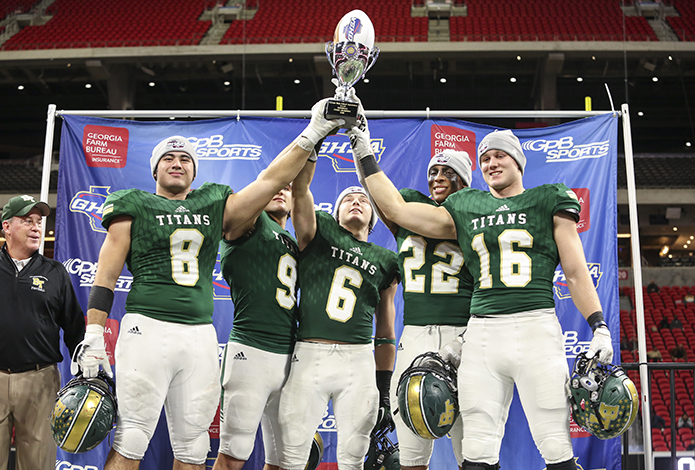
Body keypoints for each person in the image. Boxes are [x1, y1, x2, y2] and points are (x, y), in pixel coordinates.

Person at [76, 99, 345, 470]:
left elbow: (270, 180)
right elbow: (105, 275)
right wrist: (93, 333)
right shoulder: (133, 203)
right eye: (168, 158)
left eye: (185, 159)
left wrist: (313, 132)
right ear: (155, 169)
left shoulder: (213, 202)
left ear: (194, 170)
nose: (177, 163)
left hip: (198, 336)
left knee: (192, 446)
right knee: (133, 436)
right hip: (147, 328)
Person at [349, 125, 613, 470]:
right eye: (485, 158)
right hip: (482, 334)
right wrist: (362, 149)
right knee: (477, 448)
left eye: (499, 155)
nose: (491, 163)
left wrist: (599, 325)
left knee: (555, 443)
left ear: (519, 161)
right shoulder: (465, 206)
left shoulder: (548, 197)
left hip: (535, 326)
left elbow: (576, 273)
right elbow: (397, 211)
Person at [278, 155, 400, 470]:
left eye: (363, 199)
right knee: (292, 456)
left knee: (353, 456)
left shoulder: (386, 259)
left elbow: (385, 330)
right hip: (310, 353)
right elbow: (301, 189)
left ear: (374, 217)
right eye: (348, 199)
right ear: (336, 211)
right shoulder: (319, 234)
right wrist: (314, 145)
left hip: (358, 361)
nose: (356, 201)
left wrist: (383, 386)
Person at [358, 148, 474, 470]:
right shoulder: (408, 212)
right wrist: (359, 146)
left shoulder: (472, 216)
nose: (438, 178)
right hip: (415, 336)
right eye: (433, 172)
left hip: (462, 335)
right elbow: (374, 190)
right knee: (411, 450)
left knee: (473, 451)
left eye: (447, 172)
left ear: (463, 180)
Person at [214, 184, 298, 470]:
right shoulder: (249, 221)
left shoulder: (295, 241)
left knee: (283, 460)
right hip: (251, 349)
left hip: (289, 358)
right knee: (233, 453)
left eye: (288, 188)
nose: (280, 190)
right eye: (277, 186)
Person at [0, 195, 85, 470]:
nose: (36, 227)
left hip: (40, 381)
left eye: (39, 221)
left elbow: (74, 326)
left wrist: (85, 367)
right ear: (7, 226)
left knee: (38, 464)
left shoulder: (56, 272)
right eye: (27, 221)